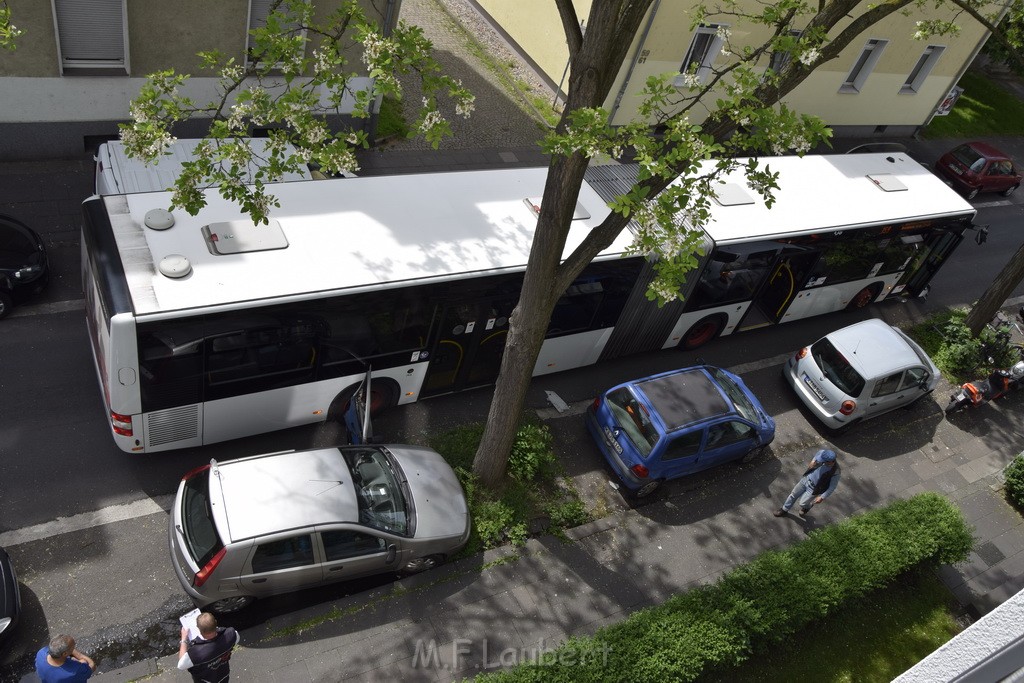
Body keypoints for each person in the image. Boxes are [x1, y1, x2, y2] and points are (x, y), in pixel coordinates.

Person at [773, 449, 841, 518]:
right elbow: (817, 455)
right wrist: (813, 461)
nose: (820, 461)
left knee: (802, 503)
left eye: (822, 460)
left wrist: (822, 497)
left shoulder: (835, 472)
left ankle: (807, 507)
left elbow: (832, 487)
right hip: (806, 479)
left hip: (813, 489)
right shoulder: (822, 453)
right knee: (793, 494)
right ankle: (784, 509)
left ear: (830, 462)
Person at [178, 612, 240, 683]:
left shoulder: (196, 653)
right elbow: (237, 639)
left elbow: (181, 665)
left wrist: (183, 639)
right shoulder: (231, 634)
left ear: (199, 630)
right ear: (216, 622)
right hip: (224, 675)